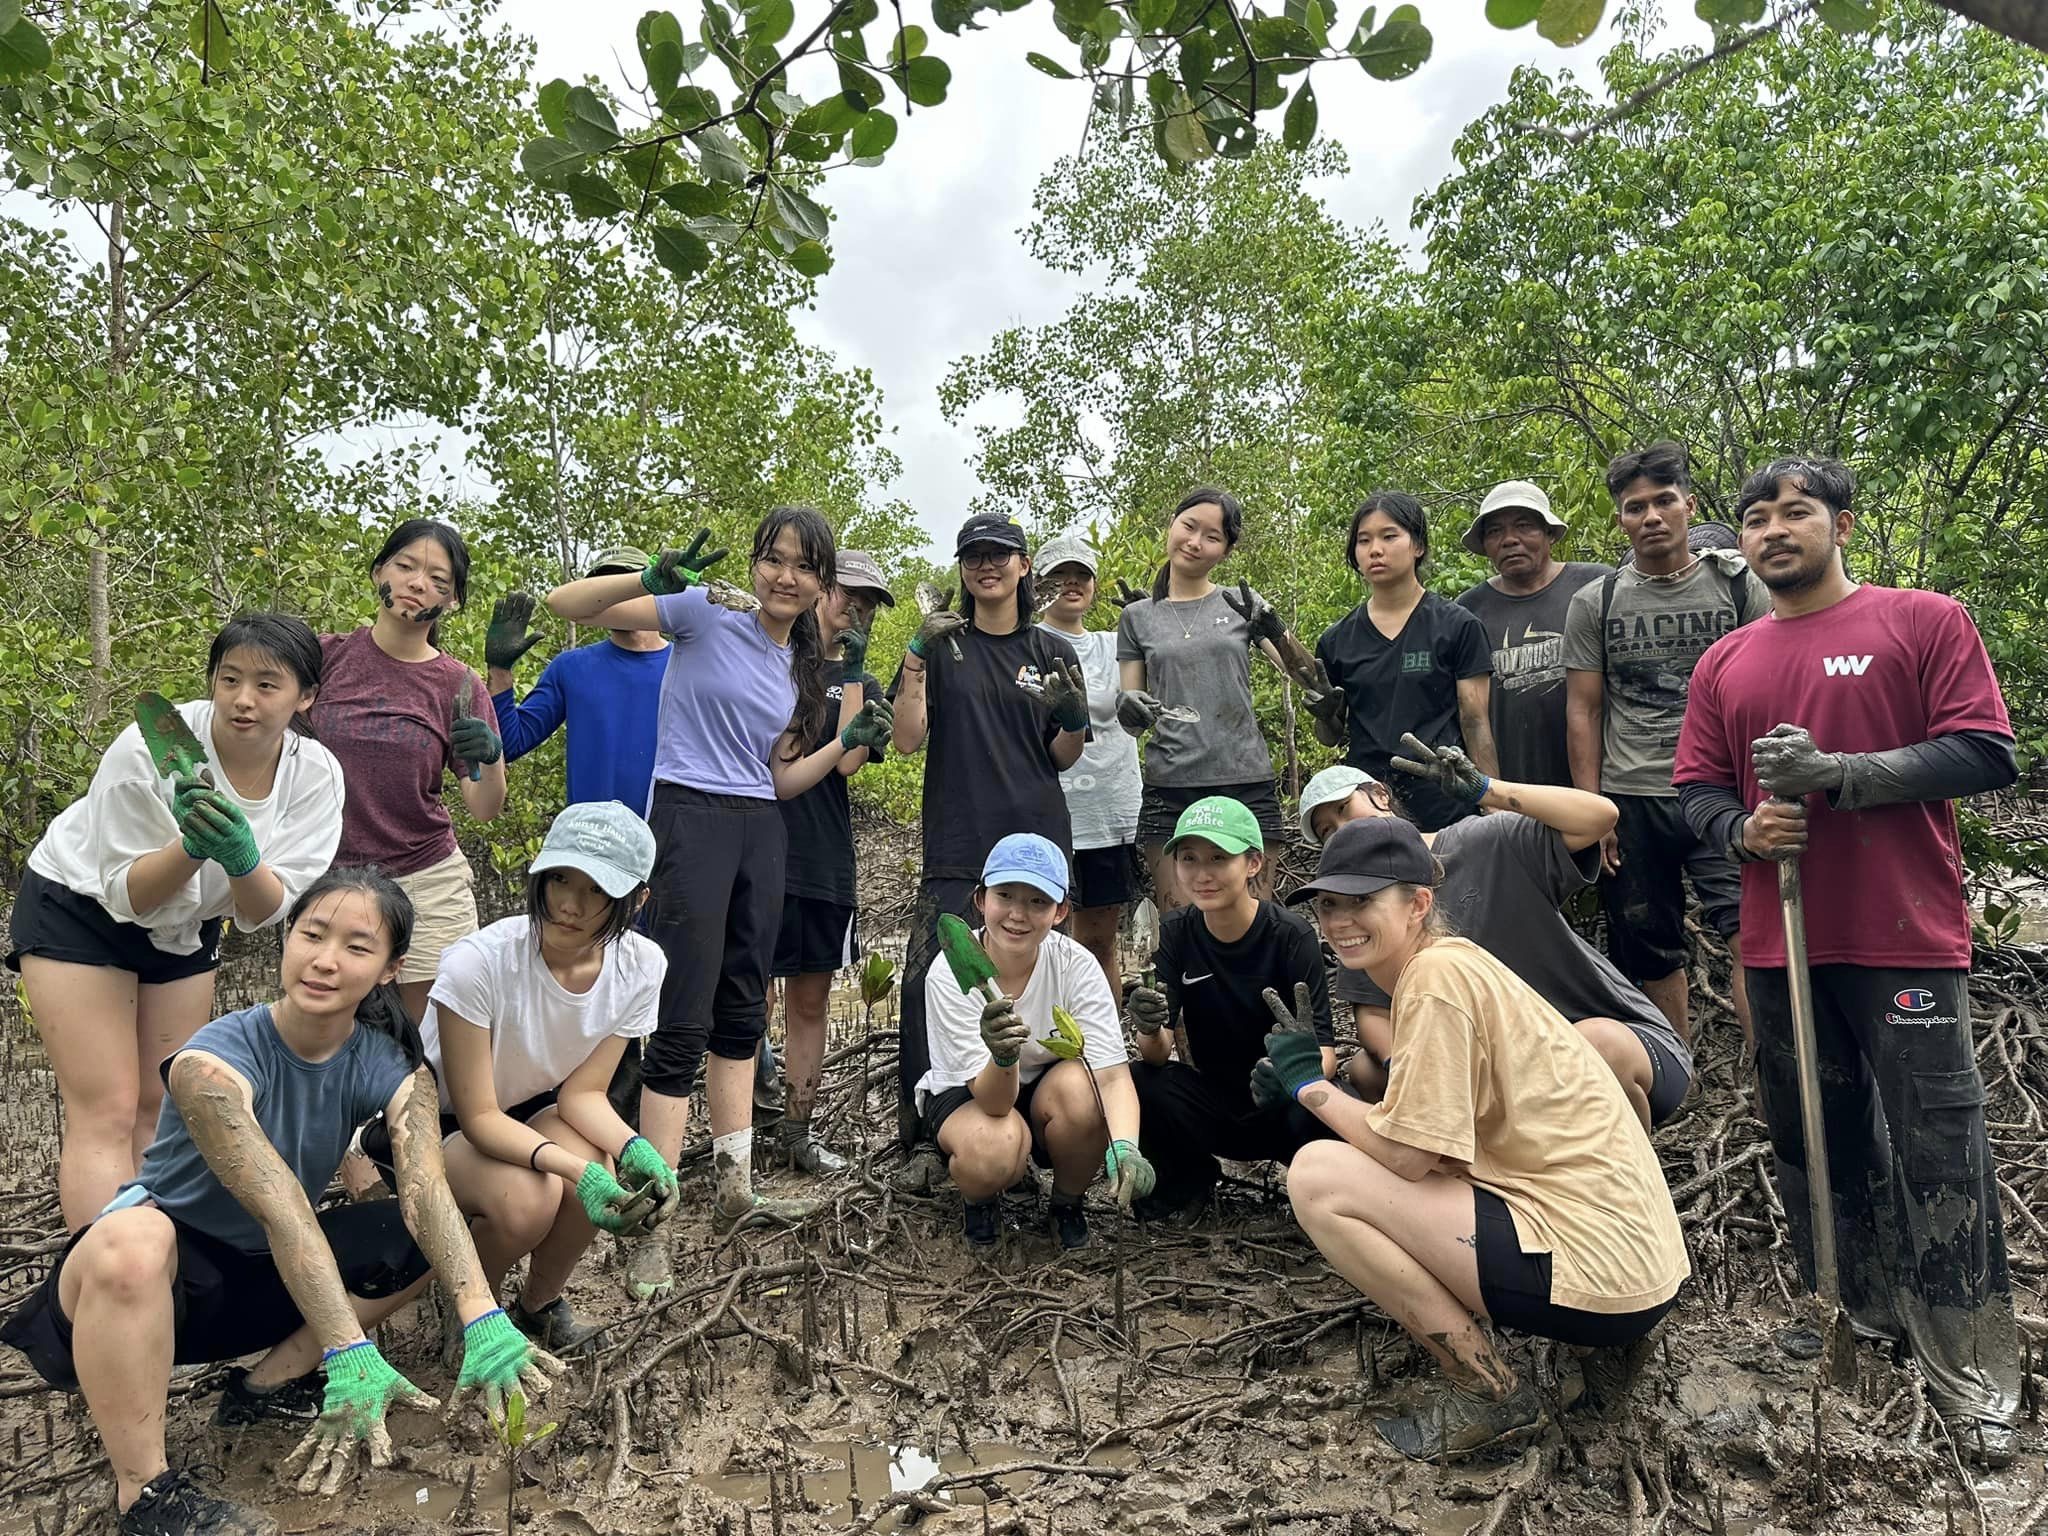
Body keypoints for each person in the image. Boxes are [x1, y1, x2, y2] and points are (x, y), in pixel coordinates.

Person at [0, 869, 562, 1536]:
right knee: (133, 1240)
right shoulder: (209, 1063)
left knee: (410, 1236)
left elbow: (426, 1191)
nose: (325, 961)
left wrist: (481, 1313)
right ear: (284, 941)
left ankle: (262, 1390)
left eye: (357, 947)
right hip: (162, 1282)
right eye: (311, 934)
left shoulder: (392, 1066)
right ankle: (144, 1496)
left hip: (264, 1277)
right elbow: (282, 1208)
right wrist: (347, 1346)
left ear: (391, 969)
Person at [1673, 455, 2021, 1465]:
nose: (1773, 529)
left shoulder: (1921, 621)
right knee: (1807, 1136)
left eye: (1794, 512)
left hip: (1902, 935)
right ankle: (1852, 1309)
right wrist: (1742, 831)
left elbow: (1982, 748)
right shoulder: (1725, 661)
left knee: (1937, 1141)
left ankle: (1972, 1361)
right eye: (1754, 518)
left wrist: (1841, 776)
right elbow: (1693, 791)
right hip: (1780, 944)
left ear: (1841, 524)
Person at [545, 510, 888, 1296]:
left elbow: (782, 779)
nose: (785, 577)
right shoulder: (704, 611)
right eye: (774, 559)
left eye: (804, 567)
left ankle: (734, 1188)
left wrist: (844, 739)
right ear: (757, 562)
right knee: (679, 1019)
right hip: (688, 818)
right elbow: (572, 604)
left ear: (821, 584)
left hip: (761, 830)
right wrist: (648, 581)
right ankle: (653, 1226)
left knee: (742, 1008)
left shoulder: (801, 662)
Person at [1280, 817, 1688, 1459]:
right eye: (1329, 904)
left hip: (1604, 1270)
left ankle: (1487, 1389)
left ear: (1418, 904)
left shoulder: (1436, 981)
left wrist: (1312, 1088)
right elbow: (1438, 1146)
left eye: (1362, 901)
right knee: (1383, 1158)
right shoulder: (1456, 966)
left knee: (1316, 1176)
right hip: (1643, 1269)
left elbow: (1410, 1158)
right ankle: (1601, 1351)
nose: (1340, 921)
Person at [9, 615, 345, 1231]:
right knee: (105, 1109)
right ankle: (101, 1279)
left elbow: (263, 911)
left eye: (268, 685)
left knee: (162, 1104)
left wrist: (241, 858)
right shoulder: (148, 748)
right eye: (230, 679)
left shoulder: (315, 774)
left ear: (306, 697)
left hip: (189, 924)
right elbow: (129, 894)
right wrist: (192, 847)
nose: (244, 700)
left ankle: (154, 1266)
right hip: (81, 906)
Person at [1299, 752, 1691, 1132]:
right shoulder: (1365, 914)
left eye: (1345, 809)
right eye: (1327, 831)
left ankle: (1636, 1180)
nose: (1343, 829)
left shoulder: (1479, 841)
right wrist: (1411, 1068)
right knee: (1367, 1072)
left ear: (1380, 795)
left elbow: (1598, 816)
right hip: (1497, 1067)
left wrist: (1485, 790)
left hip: (1612, 1042)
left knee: (1591, 1045)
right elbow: (1372, 1014)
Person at [410, 802, 679, 1353]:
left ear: (635, 899)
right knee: (528, 1199)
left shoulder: (642, 966)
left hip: (522, 1113)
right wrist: (579, 1170)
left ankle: (538, 1306)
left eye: (596, 891)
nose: (569, 905)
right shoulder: (479, 963)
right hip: (436, 1128)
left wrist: (638, 1151)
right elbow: (478, 1116)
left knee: (594, 1163)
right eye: (559, 878)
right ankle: (469, 1308)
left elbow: (583, 1095)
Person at [890, 512, 1088, 1152]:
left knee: (1038, 977)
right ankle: (925, 1131)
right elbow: (906, 738)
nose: (987, 565)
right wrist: (915, 658)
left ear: (1024, 566)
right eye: (973, 555)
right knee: (927, 978)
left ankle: (1040, 1121)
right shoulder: (943, 647)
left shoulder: (1051, 650)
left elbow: (1064, 755)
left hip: (1037, 845)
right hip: (959, 839)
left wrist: (1074, 717)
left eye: (1000, 554)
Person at [1563, 442, 1767, 1051]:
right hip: (1632, 798)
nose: (1650, 517)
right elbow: (1584, 709)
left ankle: (1772, 1082)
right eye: (1634, 507)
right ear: (1620, 519)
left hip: (1722, 793)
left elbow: (1768, 691)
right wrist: (1591, 813)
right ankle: (1675, 1078)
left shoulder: (1739, 589)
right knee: (1651, 946)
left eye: (1663, 501)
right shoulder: (1596, 602)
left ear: (1689, 505)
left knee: (1751, 940)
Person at [312, 519, 505, 1025]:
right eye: (406, 566)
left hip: (426, 880)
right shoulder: (322, 657)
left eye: (439, 581)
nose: (419, 584)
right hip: (328, 879)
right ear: (379, 571)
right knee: (333, 1031)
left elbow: (485, 808)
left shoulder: (459, 684)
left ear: (453, 602)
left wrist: (489, 756)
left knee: (426, 1045)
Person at [917, 834, 1149, 1249]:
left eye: (1038, 902)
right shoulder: (949, 972)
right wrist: (1003, 1056)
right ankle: (981, 1202)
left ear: (1061, 911)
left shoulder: (1075, 965)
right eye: (1005, 895)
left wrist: (1125, 1147)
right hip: (976, 1094)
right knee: (995, 1145)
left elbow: (1111, 1076)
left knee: (1085, 1093)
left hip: (1046, 1086)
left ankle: (1066, 1204)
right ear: (980, 900)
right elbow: (994, 1103)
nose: (1017, 915)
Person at [1125, 797, 1335, 1216]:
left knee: (1325, 1101)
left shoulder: (1290, 936)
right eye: (1189, 859)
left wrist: (1293, 1077)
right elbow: (1155, 1052)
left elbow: (1325, 1053)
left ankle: (1319, 1196)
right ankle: (1187, 1181)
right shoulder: (1175, 933)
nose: (1202, 874)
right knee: (1141, 1079)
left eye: (1219, 858)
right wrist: (1148, 1025)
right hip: (1214, 1103)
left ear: (1253, 863)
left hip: (1282, 1100)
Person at [1115, 488, 1320, 907]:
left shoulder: (1241, 604)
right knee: (1180, 923)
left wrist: (1274, 629)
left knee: (1254, 918)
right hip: (1171, 785)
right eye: (1189, 526)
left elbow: (1305, 676)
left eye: (1212, 536)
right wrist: (1128, 706)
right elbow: (1133, 717)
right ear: (1171, 525)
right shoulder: (1137, 617)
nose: (1194, 541)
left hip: (1245, 779)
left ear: (1226, 550)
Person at [768, 549, 895, 1174]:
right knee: (747, 996)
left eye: (867, 603)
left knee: (811, 1001)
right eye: (849, 594)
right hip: (761, 851)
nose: (856, 608)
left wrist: (850, 674)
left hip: (822, 859)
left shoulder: (861, 684)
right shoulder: (772, 656)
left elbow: (847, 761)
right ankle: (749, 1119)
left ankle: (796, 1129)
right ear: (822, 590)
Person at [1310, 491, 1497, 833]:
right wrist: (1324, 717)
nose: (1375, 549)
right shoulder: (1336, 640)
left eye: (1389, 536)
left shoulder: (1457, 625)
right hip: (1368, 804)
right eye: (1363, 540)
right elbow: (1331, 735)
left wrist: (1492, 799)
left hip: (1445, 799)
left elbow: (1475, 720)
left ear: (1418, 545)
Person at [1035, 532, 1143, 992]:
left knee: (1098, 945)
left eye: (1081, 575)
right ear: (1038, 585)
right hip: (1052, 812)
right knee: (1041, 945)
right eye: (1059, 576)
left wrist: (1148, 619)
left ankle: (1105, 1053)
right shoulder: (1027, 643)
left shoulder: (1115, 643)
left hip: (1111, 813)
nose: (1071, 584)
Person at [485, 546, 670, 810]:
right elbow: (510, 744)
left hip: (672, 839)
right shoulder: (571, 667)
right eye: (604, 589)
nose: (615, 597)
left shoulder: (687, 665)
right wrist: (500, 670)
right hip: (589, 841)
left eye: (625, 585)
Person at [1455, 480, 1610, 789]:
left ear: (1549, 533)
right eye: (1495, 531)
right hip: (1516, 789)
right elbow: (1470, 714)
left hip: (1602, 782)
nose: (1510, 540)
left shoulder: (1597, 585)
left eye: (1524, 526)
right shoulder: (1468, 611)